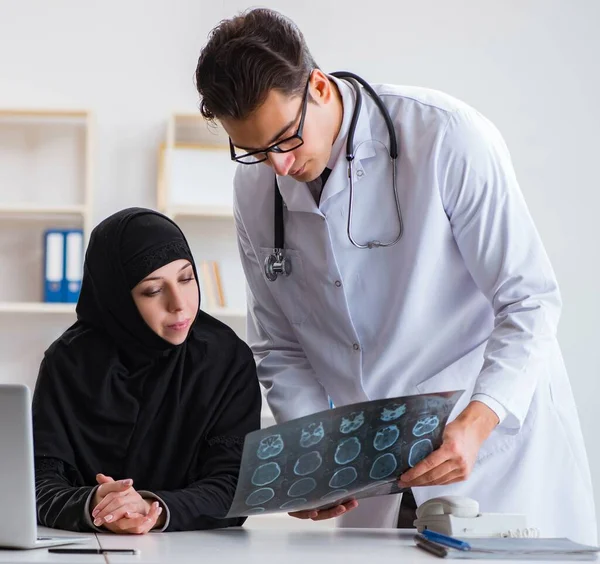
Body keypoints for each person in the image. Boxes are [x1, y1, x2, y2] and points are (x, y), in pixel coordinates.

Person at [193, 7, 597, 543]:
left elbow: (528, 301)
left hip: (491, 450)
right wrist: (318, 458)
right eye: (253, 150)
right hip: (371, 467)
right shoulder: (257, 187)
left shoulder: (446, 138)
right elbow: (279, 343)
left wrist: (477, 422)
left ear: (317, 85)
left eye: (286, 140)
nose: (278, 167)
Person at [32, 207, 261, 533]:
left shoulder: (225, 359)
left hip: (195, 551)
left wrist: (151, 507)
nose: (179, 303)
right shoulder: (67, 362)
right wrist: (95, 505)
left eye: (186, 278)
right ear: (117, 298)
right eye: (153, 290)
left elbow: (236, 485)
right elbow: (36, 481)